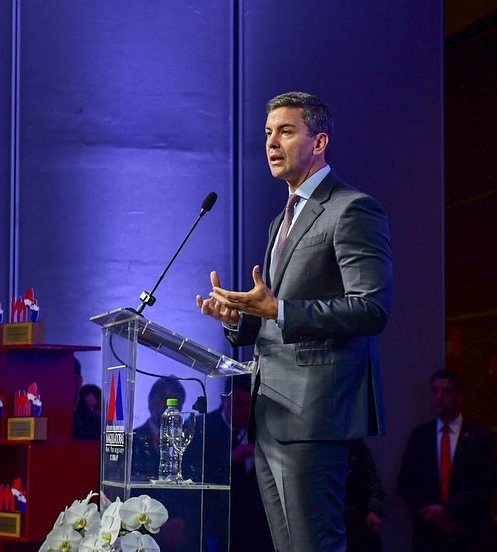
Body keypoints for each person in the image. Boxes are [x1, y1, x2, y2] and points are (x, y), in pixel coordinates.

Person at [196, 91, 393, 552]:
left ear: (319, 141)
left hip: (314, 414)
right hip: (271, 413)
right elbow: (272, 314)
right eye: (268, 132)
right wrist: (237, 319)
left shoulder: (352, 208)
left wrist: (279, 310)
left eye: (286, 131)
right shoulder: (281, 220)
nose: (271, 142)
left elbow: (371, 309)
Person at [398, 369, 497, 551]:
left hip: (468, 532)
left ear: (459, 395)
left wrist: (448, 510)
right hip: (429, 534)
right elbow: (406, 482)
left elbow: (485, 484)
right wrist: (429, 510)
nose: (439, 397)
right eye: (435, 390)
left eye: (446, 391)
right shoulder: (420, 436)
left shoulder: (480, 437)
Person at [204, 375, 274, 552]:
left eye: (249, 406)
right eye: (238, 405)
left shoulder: (268, 428)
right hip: (217, 525)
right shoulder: (203, 427)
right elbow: (198, 472)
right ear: (224, 400)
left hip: (260, 525)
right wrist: (231, 458)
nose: (244, 411)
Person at [345, 438, 386, 552]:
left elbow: (375, 483)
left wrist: (374, 510)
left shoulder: (357, 445)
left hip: (362, 518)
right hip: (331, 519)